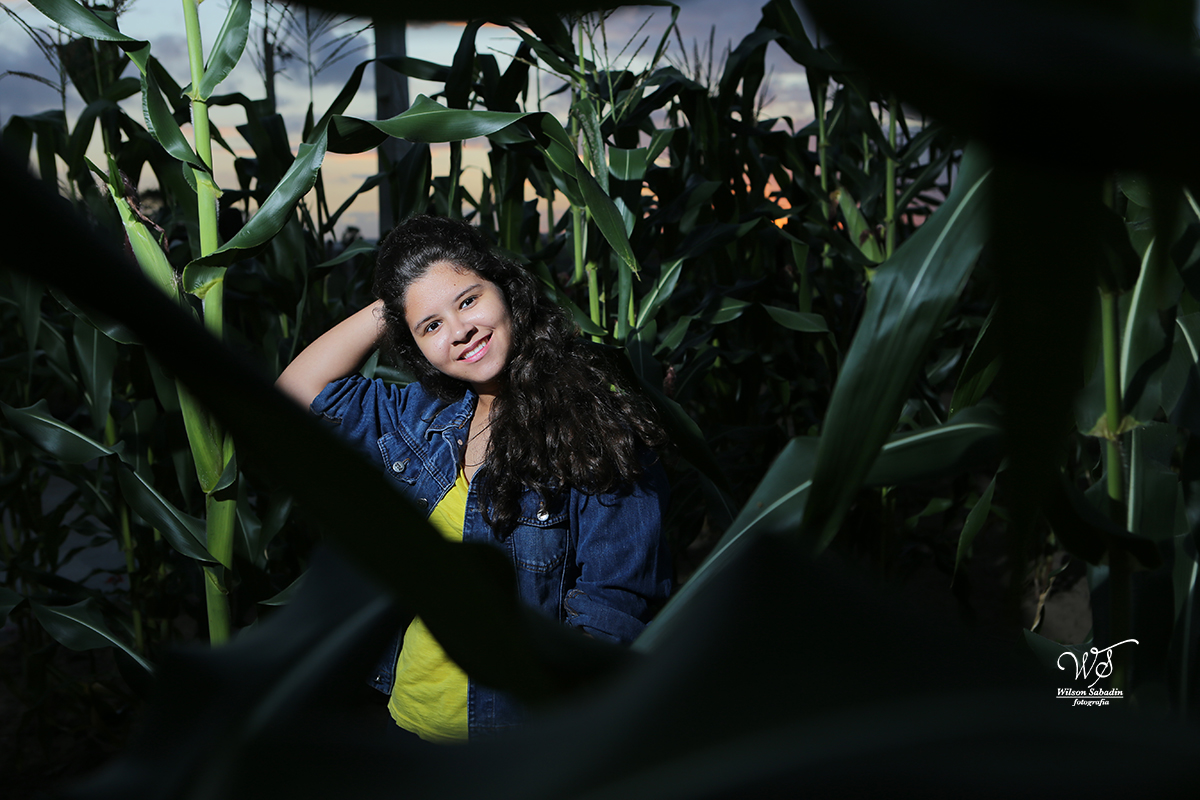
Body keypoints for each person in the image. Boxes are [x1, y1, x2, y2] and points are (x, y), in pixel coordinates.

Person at [276, 215, 672, 743]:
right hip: (407, 729)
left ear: (505, 288)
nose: (459, 331)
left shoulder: (596, 426)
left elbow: (613, 610)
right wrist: (396, 300)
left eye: (468, 300)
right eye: (431, 327)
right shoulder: (420, 418)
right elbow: (295, 392)